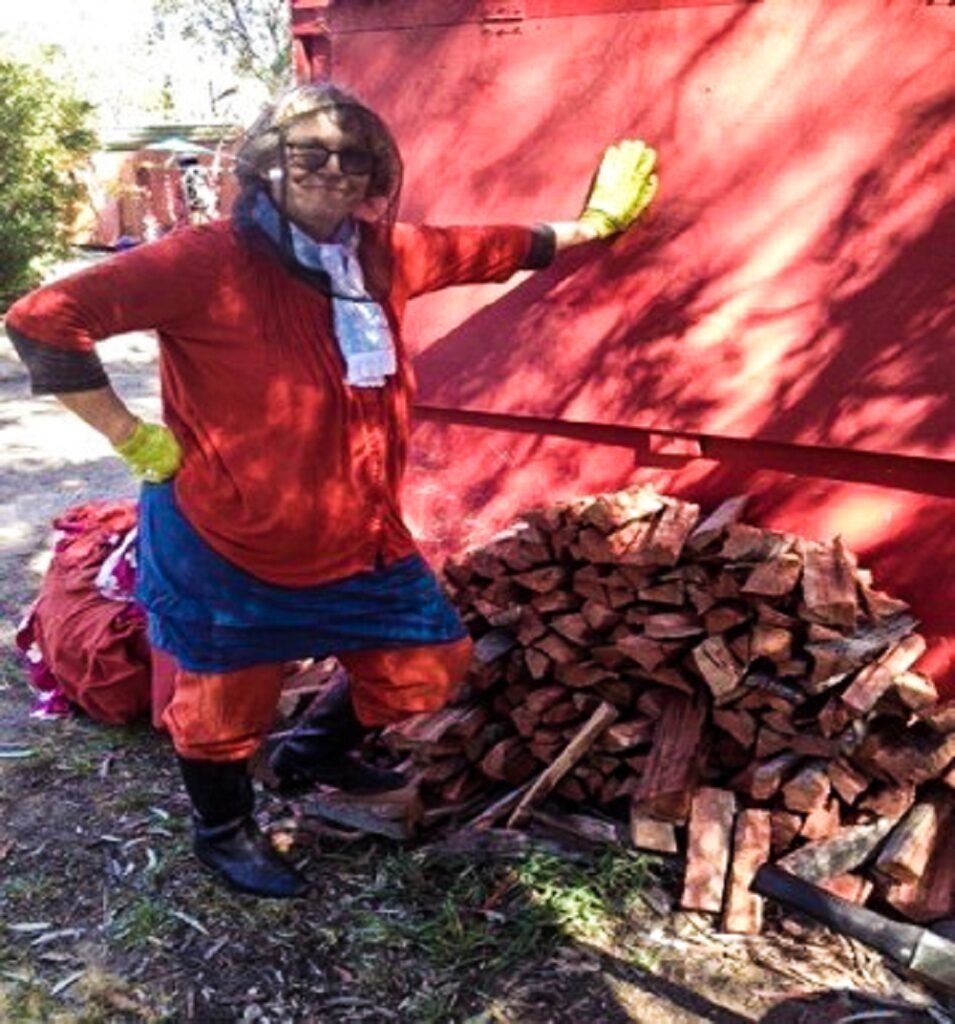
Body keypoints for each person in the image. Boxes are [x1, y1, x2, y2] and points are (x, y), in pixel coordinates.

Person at [6, 82, 658, 899]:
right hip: (228, 532)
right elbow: (43, 318)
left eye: (352, 157)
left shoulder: (382, 253)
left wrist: (588, 227)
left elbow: (487, 246)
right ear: (265, 165)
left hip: (358, 531)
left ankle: (309, 752)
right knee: (220, 708)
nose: (331, 170)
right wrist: (129, 435)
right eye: (306, 152)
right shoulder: (206, 259)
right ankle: (225, 832)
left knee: (428, 661)